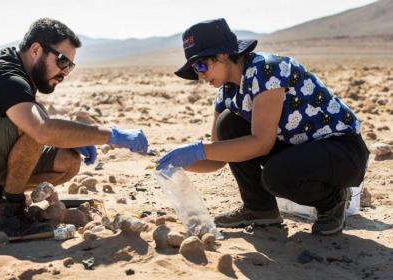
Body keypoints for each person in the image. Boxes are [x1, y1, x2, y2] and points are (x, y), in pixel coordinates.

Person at [157, 18, 369, 235]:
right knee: (228, 123)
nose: (200, 76)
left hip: (342, 152)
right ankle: (260, 209)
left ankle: (332, 202)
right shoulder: (226, 94)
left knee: (277, 176)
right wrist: (178, 162)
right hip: (298, 151)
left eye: (201, 65)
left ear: (222, 55)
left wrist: (197, 149)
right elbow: (218, 156)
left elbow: (261, 143)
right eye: (194, 70)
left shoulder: (267, 70)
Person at [0, 18, 148, 236]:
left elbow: (39, 119)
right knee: (33, 129)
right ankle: (10, 214)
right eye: (62, 61)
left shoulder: (20, 76)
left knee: (68, 161)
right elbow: (40, 128)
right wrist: (111, 135)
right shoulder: (7, 75)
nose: (65, 73)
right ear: (36, 49)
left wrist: (75, 139)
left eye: (70, 66)